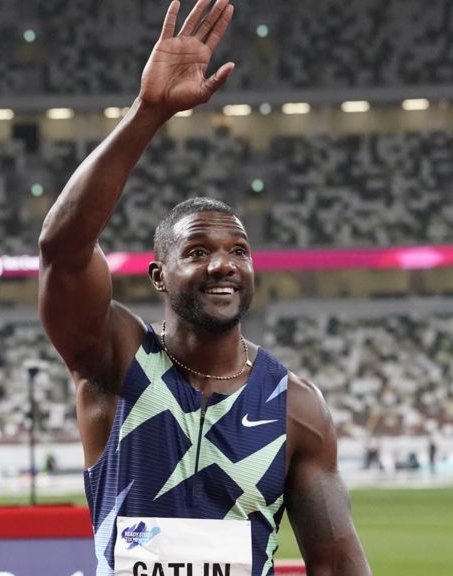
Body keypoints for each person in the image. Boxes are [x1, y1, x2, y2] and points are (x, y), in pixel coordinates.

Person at [37, 1, 372, 574]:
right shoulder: (115, 360)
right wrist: (147, 112)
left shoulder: (296, 407)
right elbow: (62, 253)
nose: (224, 265)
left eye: (238, 251)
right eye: (198, 252)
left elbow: (338, 564)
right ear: (158, 275)